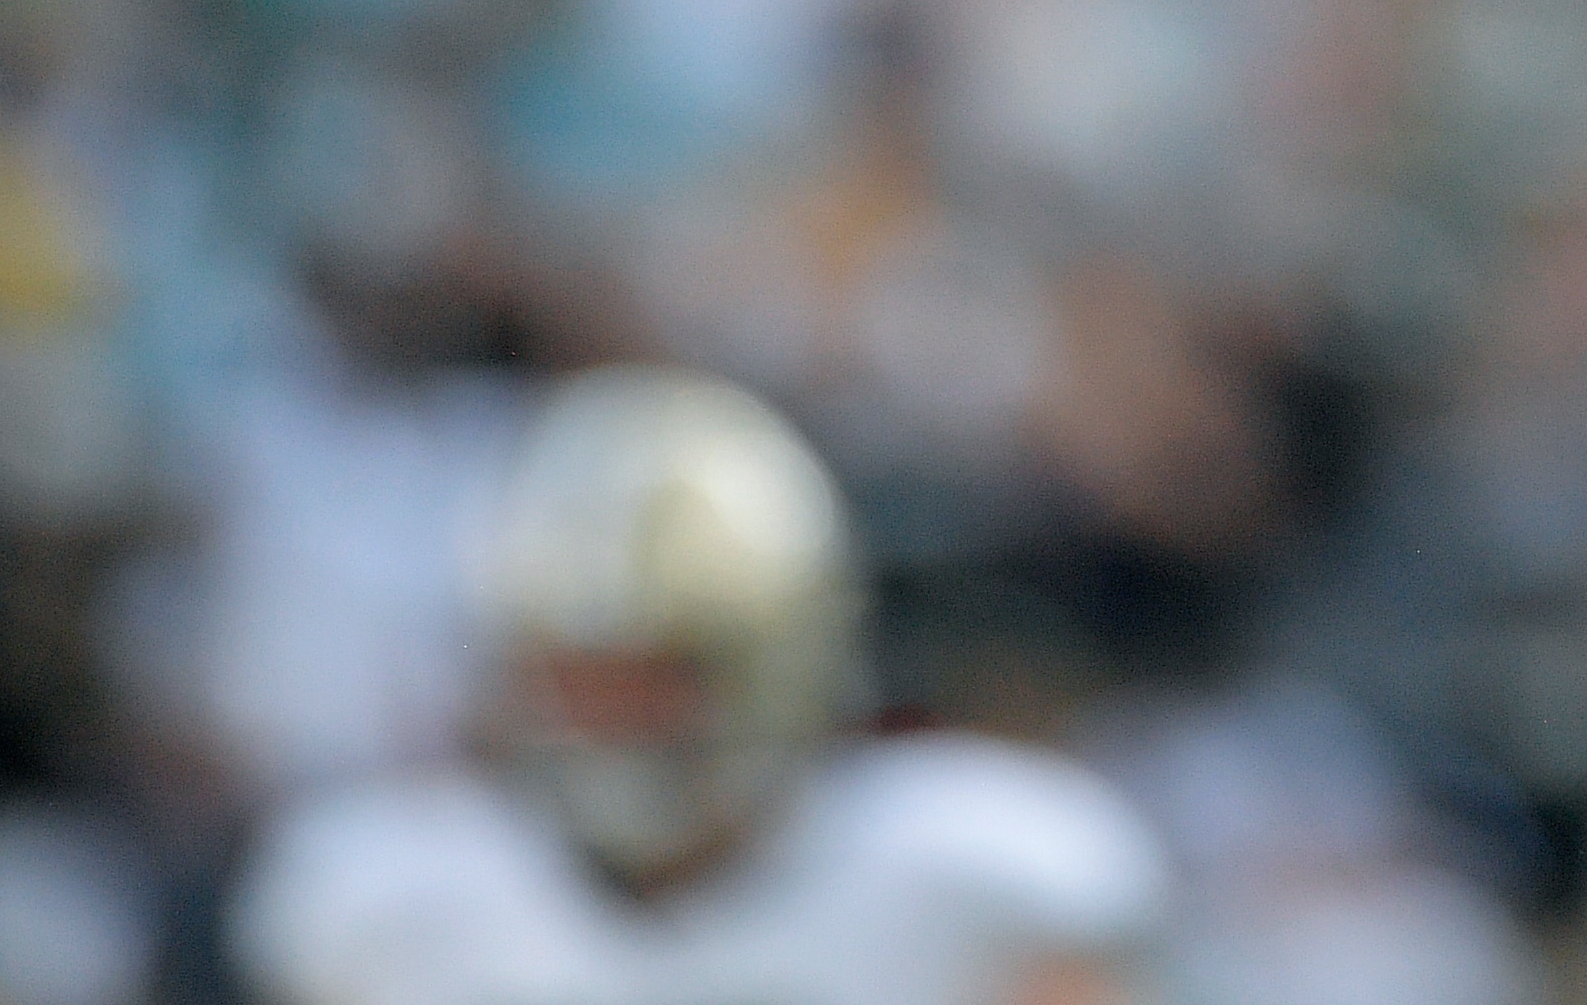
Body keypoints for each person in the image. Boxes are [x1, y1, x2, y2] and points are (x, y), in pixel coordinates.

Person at [230, 367, 1165, 1005]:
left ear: (783, 662)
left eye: (657, 675)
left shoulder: (974, 876)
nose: (611, 719)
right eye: (577, 674)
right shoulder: (387, 901)